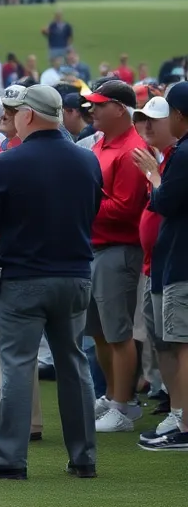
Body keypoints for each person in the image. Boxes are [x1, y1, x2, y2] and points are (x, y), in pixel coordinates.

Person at [0, 85, 102, 478]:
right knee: (74, 365)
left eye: (14, 112)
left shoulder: (7, 162)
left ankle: (10, 458)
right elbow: (91, 211)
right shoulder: (86, 160)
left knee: (17, 365)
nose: (10, 119)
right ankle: (84, 458)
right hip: (75, 276)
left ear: (28, 115)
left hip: (25, 278)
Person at [82, 79, 147, 432]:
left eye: (99, 104)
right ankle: (112, 395)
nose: (92, 109)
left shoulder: (131, 148)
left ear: (120, 108)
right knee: (100, 332)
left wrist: (83, 203)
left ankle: (124, 406)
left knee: (118, 332)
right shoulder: (103, 146)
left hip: (118, 249)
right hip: (95, 247)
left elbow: (124, 208)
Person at [135, 82, 188, 449]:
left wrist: (154, 175)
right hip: (169, 264)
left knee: (181, 346)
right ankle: (180, 417)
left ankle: (185, 426)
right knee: (173, 344)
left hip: (180, 263)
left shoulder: (182, 154)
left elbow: (165, 203)